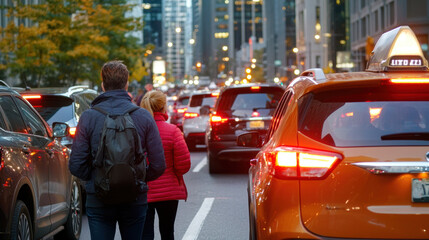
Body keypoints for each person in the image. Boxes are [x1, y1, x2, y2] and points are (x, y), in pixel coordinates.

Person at [69, 60, 166, 240]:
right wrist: (137, 178)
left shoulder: (88, 117)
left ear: (102, 84)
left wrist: (96, 178)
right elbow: (159, 164)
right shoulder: (143, 116)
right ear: (127, 83)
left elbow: (76, 165)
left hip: (99, 199)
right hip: (134, 198)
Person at [140, 90, 191, 240]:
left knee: (145, 233)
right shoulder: (173, 131)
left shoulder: (138, 130)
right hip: (169, 192)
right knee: (168, 232)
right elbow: (184, 165)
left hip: (144, 191)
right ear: (163, 107)